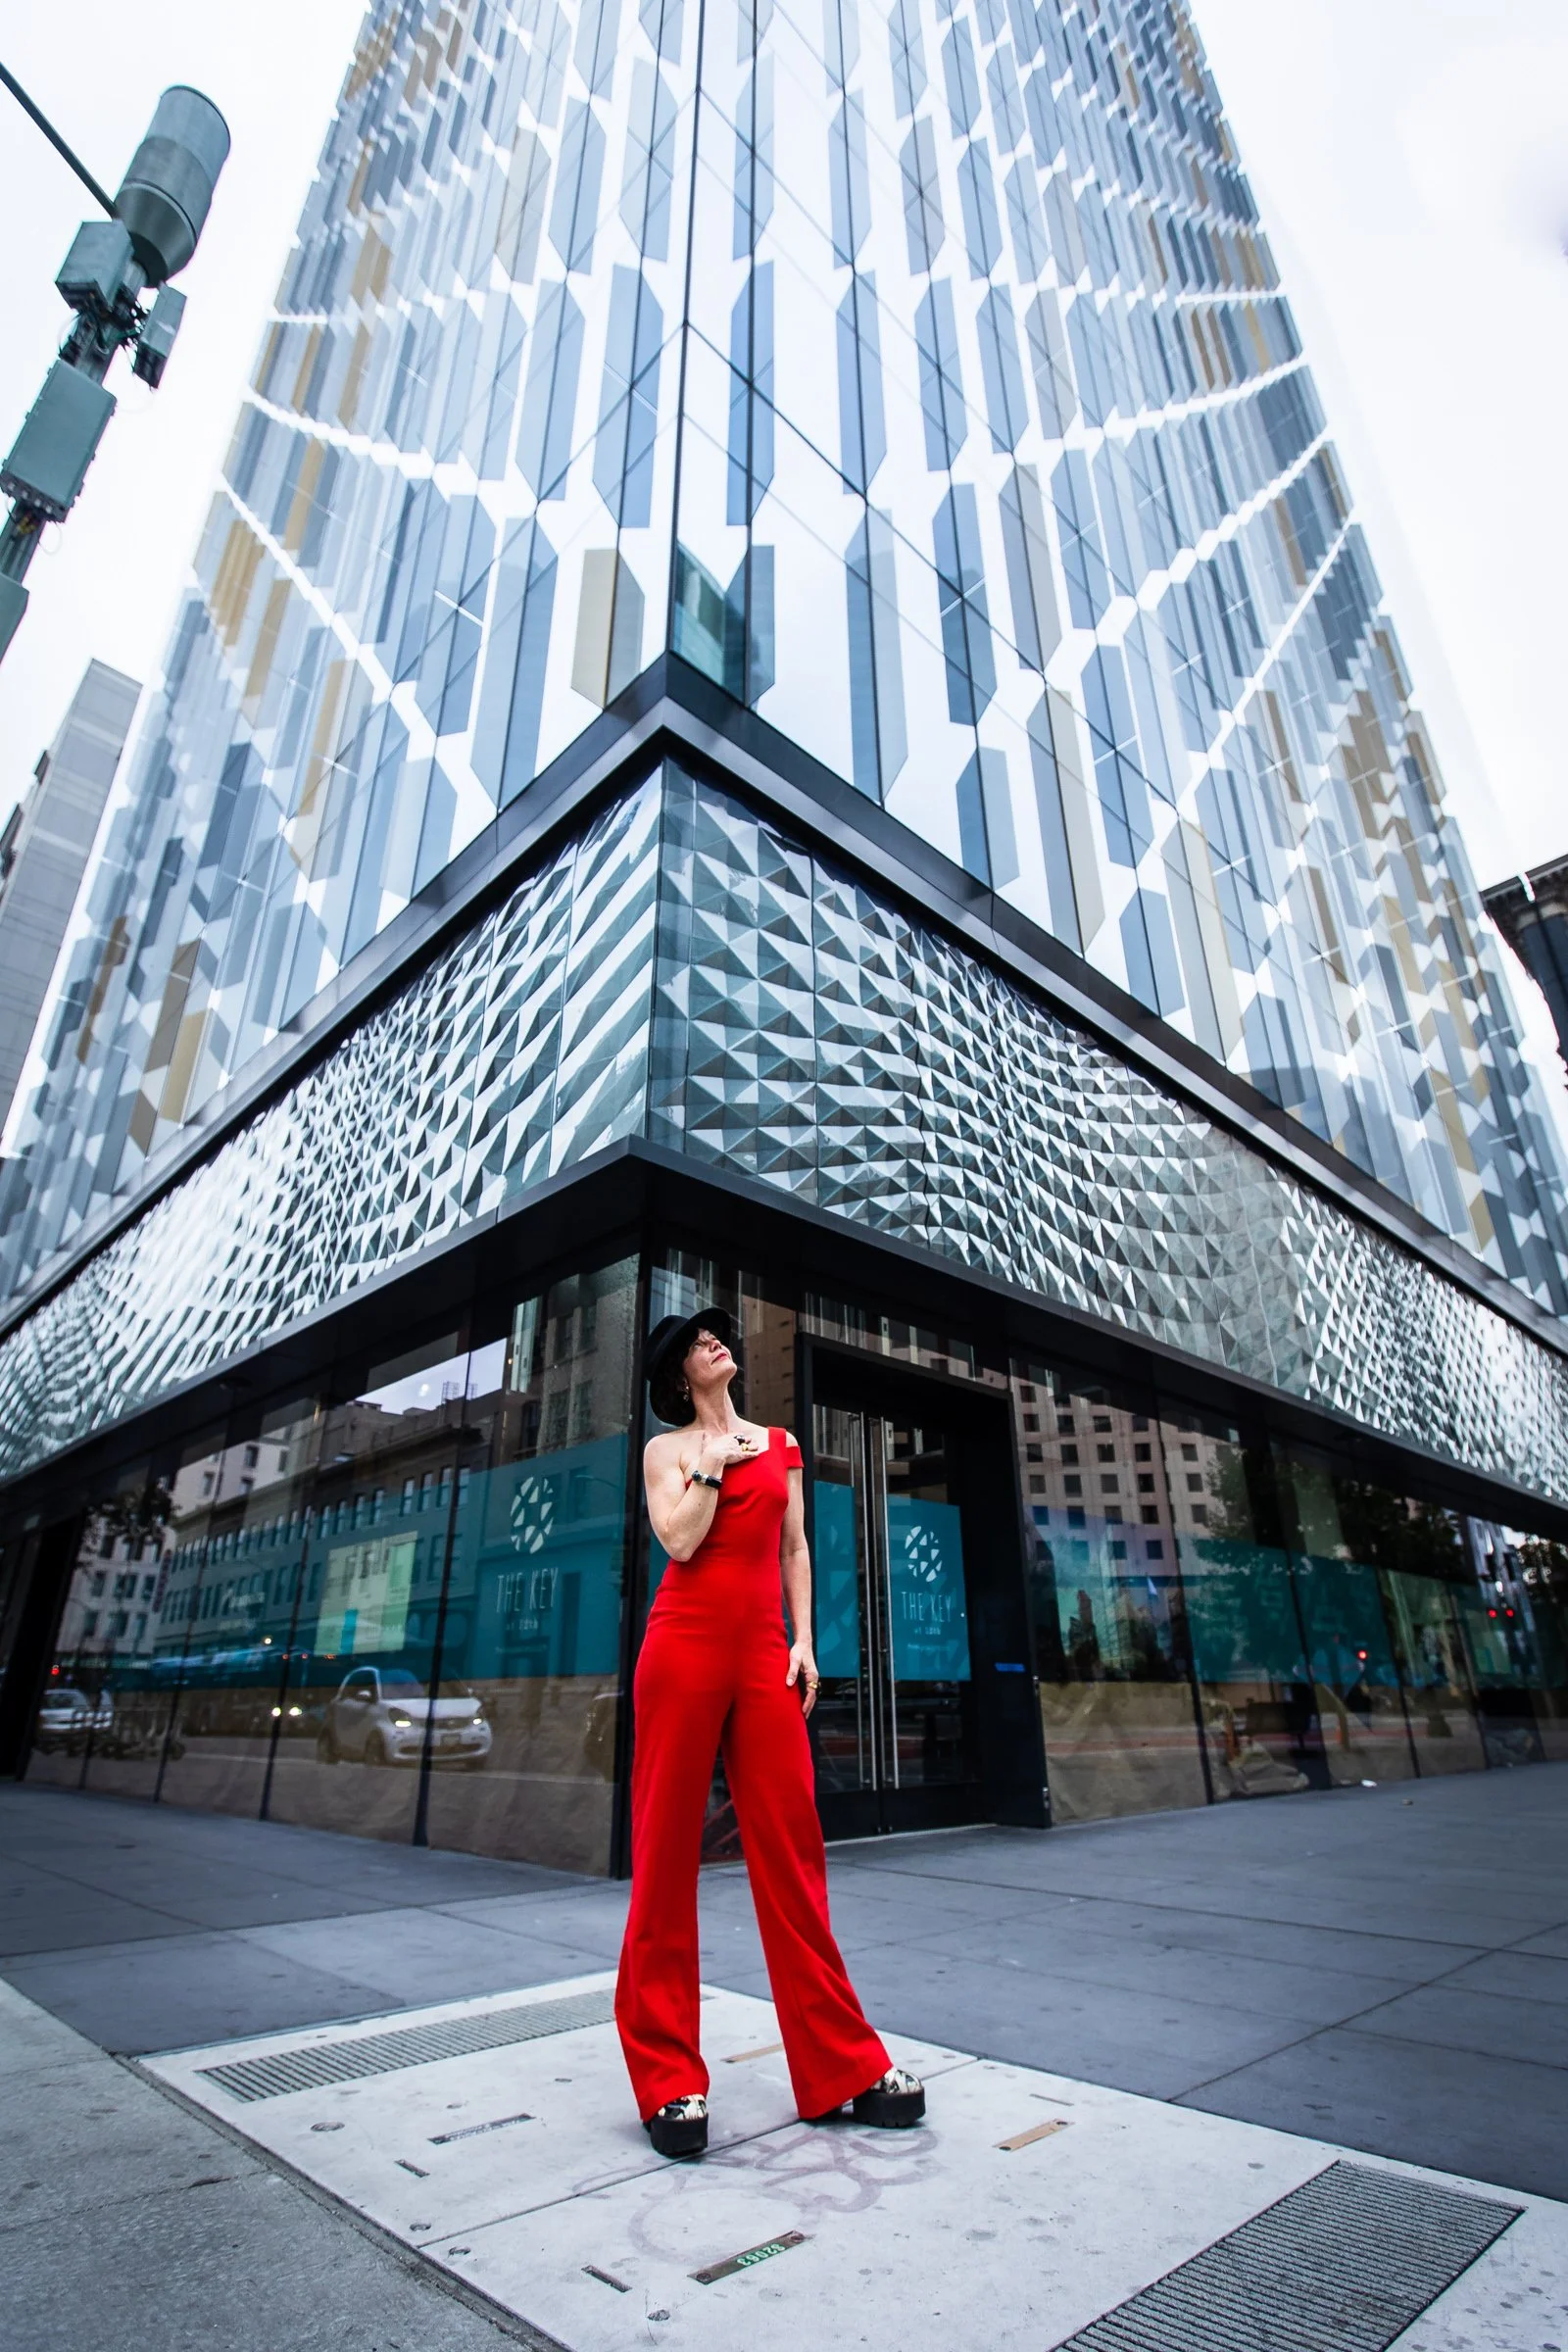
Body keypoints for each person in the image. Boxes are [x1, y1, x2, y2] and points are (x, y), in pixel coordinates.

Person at [614, 1306, 925, 2158]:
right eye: (696, 1344)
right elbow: (678, 1543)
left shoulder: (781, 1444)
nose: (714, 1343)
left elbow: (794, 1551)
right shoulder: (667, 1452)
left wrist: (805, 1640)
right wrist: (711, 1464)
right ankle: (667, 2080)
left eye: (716, 1336)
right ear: (680, 1375)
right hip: (681, 1649)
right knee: (664, 1857)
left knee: (793, 1852)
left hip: (763, 1656)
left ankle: (844, 2067)